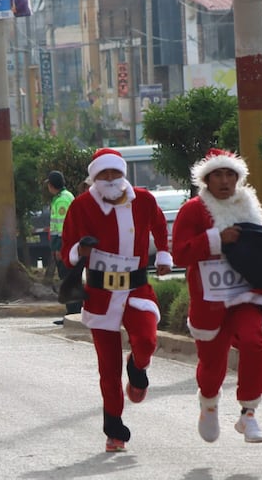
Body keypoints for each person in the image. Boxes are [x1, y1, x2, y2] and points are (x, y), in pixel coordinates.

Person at [60, 148, 173, 452]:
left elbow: (160, 225)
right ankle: (114, 429)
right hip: (100, 293)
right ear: (94, 178)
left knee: (147, 340)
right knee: (107, 368)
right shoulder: (82, 205)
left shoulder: (144, 200)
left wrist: (163, 254)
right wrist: (79, 251)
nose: (110, 179)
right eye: (103, 174)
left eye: (115, 173)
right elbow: (66, 248)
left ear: (123, 174)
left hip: (136, 287)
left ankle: (137, 370)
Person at [170, 148, 262, 444]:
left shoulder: (249, 205)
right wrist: (217, 239)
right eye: (218, 174)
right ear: (206, 179)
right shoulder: (193, 210)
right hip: (211, 300)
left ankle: (249, 414)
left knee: (255, 345)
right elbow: (179, 253)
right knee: (213, 365)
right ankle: (209, 404)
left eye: (231, 174)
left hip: (246, 293)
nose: (225, 181)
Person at [46, 170, 76, 322]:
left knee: (67, 279)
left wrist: (59, 248)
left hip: (64, 245)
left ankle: (73, 314)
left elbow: (62, 227)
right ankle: (71, 313)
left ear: (52, 185)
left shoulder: (62, 200)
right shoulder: (62, 197)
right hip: (65, 245)